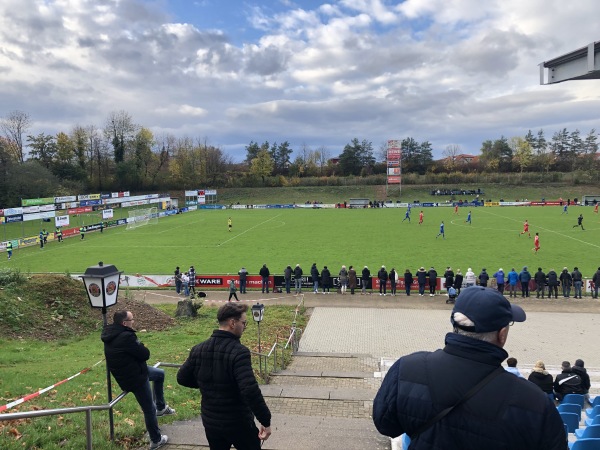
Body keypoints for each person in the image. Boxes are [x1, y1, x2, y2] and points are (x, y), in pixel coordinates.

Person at [373, 287, 566, 449]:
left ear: (454, 325)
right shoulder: (535, 403)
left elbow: (386, 425)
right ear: (502, 334)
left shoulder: (406, 369)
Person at [177, 303, 272, 450]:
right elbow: (249, 390)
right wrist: (266, 421)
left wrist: (208, 383)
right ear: (232, 323)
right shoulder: (239, 352)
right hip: (238, 422)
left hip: (211, 422)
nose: (244, 327)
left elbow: (182, 378)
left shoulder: (198, 349)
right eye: (244, 323)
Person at [102, 310, 174, 450]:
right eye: (131, 319)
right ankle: (156, 440)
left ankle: (161, 407)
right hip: (134, 378)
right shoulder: (126, 337)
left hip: (134, 370)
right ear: (124, 323)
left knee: (160, 374)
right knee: (149, 409)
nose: (133, 322)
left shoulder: (111, 333)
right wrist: (140, 346)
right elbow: (145, 354)